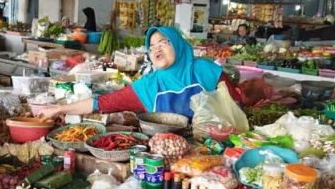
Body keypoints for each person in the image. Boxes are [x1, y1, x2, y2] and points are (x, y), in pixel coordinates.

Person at [40, 26, 238, 120]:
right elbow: (102, 103)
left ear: (177, 43)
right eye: (151, 47)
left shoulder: (206, 70)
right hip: (166, 157)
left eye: (163, 43)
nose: (157, 50)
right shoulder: (149, 85)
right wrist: (59, 109)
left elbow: (236, 104)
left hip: (213, 152)